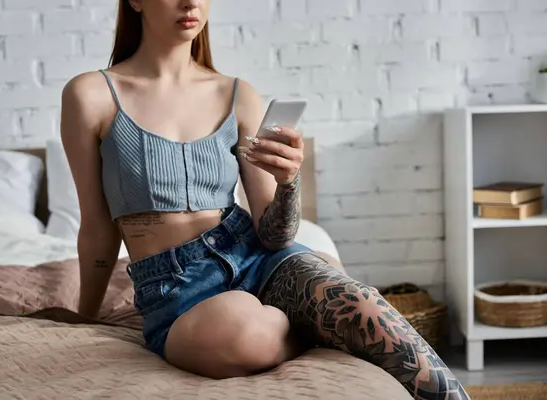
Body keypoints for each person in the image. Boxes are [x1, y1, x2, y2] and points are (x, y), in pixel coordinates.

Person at [59, 0, 470, 398]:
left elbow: (273, 235)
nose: (190, 3)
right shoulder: (91, 95)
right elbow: (96, 225)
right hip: (176, 286)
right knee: (246, 334)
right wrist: (85, 318)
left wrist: (289, 182)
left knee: (362, 305)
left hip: (258, 256)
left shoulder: (237, 94)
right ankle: (312, 324)